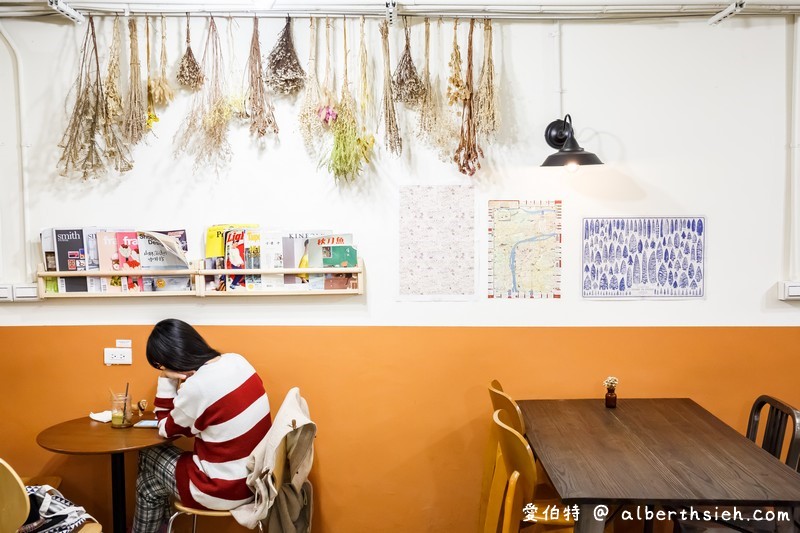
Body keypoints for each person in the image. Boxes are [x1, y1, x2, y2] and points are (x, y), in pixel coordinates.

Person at [132, 319, 272, 533]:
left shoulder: (197, 388)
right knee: (147, 485)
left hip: (221, 489)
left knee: (148, 453)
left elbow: (165, 428)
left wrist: (166, 379)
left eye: (161, 365)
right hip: (255, 481)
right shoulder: (237, 361)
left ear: (171, 361)